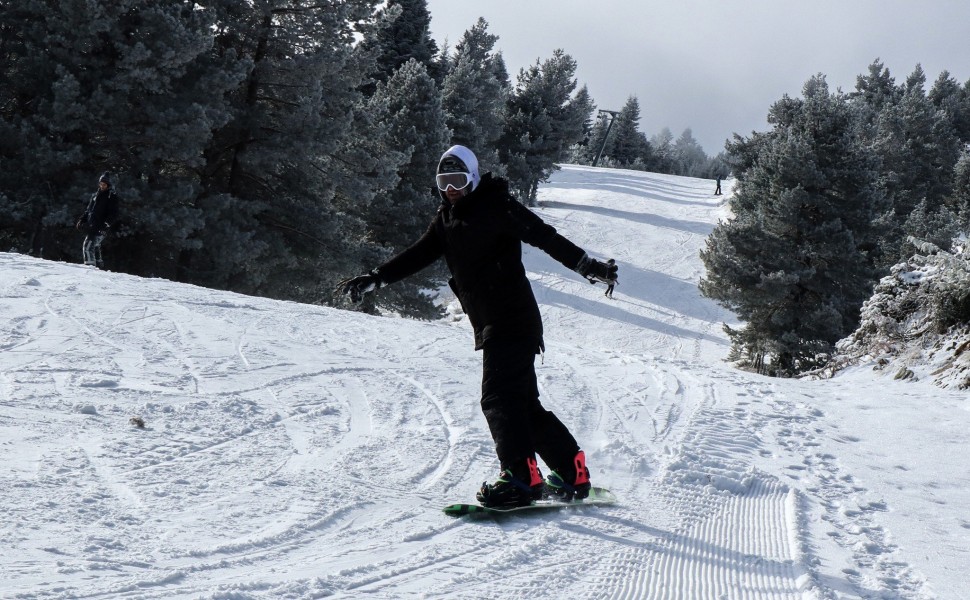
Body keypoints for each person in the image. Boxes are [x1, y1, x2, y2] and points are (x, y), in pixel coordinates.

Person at [338, 145, 618, 508]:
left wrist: (588, 265)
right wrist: (376, 278)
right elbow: (417, 255)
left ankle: (520, 476)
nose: (451, 188)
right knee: (522, 404)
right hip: (492, 322)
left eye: (458, 180)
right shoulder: (445, 220)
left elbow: (544, 236)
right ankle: (571, 470)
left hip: (512, 318)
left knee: (498, 399)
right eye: (444, 181)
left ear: (472, 177)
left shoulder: (497, 205)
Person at [77, 172, 119, 269]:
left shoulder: (111, 197)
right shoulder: (95, 195)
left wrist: (106, 224)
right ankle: (99, 268)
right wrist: (82, 220)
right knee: (95, 246)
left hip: (101, 227)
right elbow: (88, 210)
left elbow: (114, 214)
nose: (102, 186)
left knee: (87, 246)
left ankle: (90, 269)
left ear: (108, 185)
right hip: (92, 226)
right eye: (100, 183)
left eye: (104, 184)